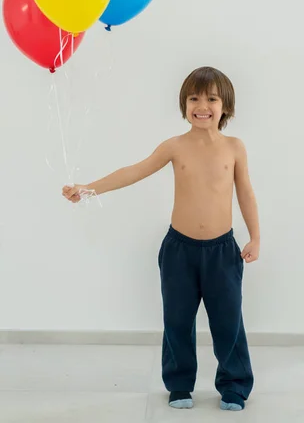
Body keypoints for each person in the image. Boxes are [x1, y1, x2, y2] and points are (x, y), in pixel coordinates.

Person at [62, 66, 260, 412]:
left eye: (211, 98)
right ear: (184, 104)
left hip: (222, 252)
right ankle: (180, 384)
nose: (202, 105)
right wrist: (88, 188)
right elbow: (133, 171)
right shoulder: (175, 146)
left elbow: (245, 193)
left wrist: (255, 237)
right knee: (177, 320)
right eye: (194, 98)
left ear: (225, 105)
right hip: (178, 251)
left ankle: (235, 385)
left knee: (228, 321)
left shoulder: (234, 148)